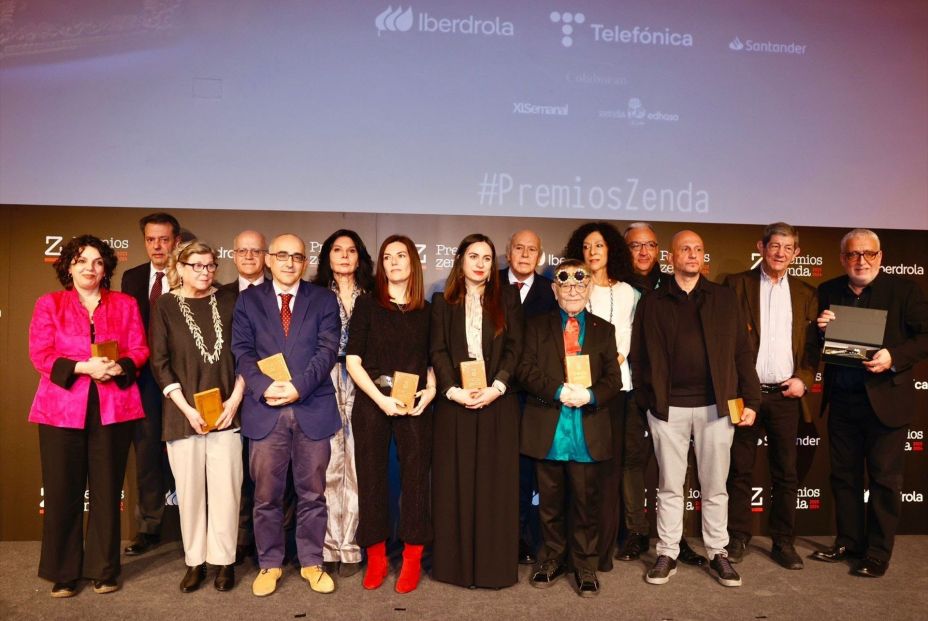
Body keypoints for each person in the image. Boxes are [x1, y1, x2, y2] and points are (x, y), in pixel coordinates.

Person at [630, 230, 760, 588]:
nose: (692, 254)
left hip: (717, 408)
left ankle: (718, 552)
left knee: (716, 486)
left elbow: (742, 352)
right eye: (685, 249)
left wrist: (751, 400)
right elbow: (638, 355)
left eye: (698, 249)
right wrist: (646, 399)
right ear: (671, 257)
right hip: (667, 409)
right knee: (670, 485)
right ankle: (668, 552)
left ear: (703, 257)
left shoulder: (724, 298)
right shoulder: (652, 302)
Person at [28, 235, 149, 597]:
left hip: (113, 408)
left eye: (97, 262)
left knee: (107, 490)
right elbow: (41, 354)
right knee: (61, 491)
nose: (90, 268)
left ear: (106, 267)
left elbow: (139, 348)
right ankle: (63, 572)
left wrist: (118, 367)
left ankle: (104, 569)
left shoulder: (125, 304)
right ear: (68, 266)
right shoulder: (49, 304)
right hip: (60, 410)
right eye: (81, 261)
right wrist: (84, 367)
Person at [810, 228, 928, 578]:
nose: (861, 261)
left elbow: (925, 336)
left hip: (886, 401)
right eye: (852, 254)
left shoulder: (904, 291)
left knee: (884, 480)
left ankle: (877, 552)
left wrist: (894, 357)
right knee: (844, 477)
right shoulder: (828, 290)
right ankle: (849, 542)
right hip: (843, 399)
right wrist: (821, 330)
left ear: (880, 256)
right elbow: (820, 345)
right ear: (842, 258)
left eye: (868, 254)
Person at [232, 234, 341, 596]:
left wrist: (298, 388)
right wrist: (264, 386)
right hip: (265, 410)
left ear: (305, 262)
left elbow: (327, 351)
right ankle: (269, 563)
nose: (290, 262)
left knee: (313, 494)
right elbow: (242, 351)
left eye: (297, 256)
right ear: (269, 259)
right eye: (282, 255)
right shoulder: (248, 301)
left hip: (312, 407)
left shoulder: (323, 299)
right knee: (266, 496)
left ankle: (311, 561)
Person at [519, 259, 623, 597]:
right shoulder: (535, 326)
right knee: (548, 504)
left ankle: (584, 565)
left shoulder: (605, 330)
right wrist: (558, 391)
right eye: (565, 285)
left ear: (589, 287)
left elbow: (614, 380)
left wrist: (590, 395)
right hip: (549, 428)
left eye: (580, 284)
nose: (573, 291)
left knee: (585, 504)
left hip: (586, 430)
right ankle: (551, 559)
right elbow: (525, 369)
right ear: (555, 290)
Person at [149, 241, 245, 593]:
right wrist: (186, 409)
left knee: (226, 492)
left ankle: (224, 561)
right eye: (197, 265)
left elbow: (246, 354)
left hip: (227, 414)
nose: (205, 272)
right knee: (189, 493)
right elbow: (159, 362)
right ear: (180, 266)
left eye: (210, 265)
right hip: (183, 416)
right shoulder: (165, 305)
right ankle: (195, 562)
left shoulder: (231, 301)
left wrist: (235, 400)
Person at [430, 233, 524, 589]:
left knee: (494, 487)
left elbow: (516, 347)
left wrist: (496, 387)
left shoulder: (508, 298)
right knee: (454, 484)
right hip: (454, 405)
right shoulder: (442, 302)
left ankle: (492, 569)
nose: (481, 263)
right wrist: (453, 391)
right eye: (473, 256)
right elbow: (437, 350)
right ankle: (455, 568)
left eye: (487, 257)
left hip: (497, 402)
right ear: (460, 260)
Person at [723, 223, 818, 570]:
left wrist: (804, 380)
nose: (780, 253)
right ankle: (737, 537)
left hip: (785, 396)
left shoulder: (807, 293)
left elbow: (813, 346)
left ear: (796, 253)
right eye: (775, 245)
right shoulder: (736, 284)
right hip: (744, 395)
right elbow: (723, 340)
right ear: (761, 247)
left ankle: (783, 542)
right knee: (739, 470)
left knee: (786, 473)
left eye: (788, 247)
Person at [346, 235, 435, 593]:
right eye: (387, 257)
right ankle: (377, 557)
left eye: (401, 255)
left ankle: (412, 557)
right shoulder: (367, 305)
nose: (394, 262)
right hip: (373, 399)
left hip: (415, 401)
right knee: (370, 477)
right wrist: (380, 400)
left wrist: (431, 391)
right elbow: (353, 361)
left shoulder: (427, 310)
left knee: (416, 480)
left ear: (413, 262)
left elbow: (432, 361)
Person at [617, 222, 707, 567]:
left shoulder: (673, 284)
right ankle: (635, 531)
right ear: (624, 249)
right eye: (635, 245)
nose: (643, 252)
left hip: (673, 393)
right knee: (632, 460)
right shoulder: (614, 284)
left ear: (660, 251)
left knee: (677, 466)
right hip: (630, 387)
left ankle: (676, 537)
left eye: (650, 245)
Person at [563, 221, 637, 572]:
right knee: (574, 472)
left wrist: (605, 370)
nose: (592, 252)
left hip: (613, 390)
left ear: (611, 251)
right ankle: (573, 550)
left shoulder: (628, 292)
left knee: (607, 474)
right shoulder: (572, 285)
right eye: (587, 246)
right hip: (572, 390)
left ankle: (602, 553)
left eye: (599, 246)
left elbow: (628, 339)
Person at [312, 229, 375, 578]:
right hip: (324, 379)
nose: (345, 256)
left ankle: (350, 545)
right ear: (327, 256)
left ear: (360, 256)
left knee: (357, 464)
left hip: (363, 380)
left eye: (351, 250)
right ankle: (327, 546)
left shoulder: (373, 294)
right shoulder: (314, 295)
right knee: (329, 463)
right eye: (338, 250)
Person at [120, 212, 181, 556]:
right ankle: (148, 528)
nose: (157, 246)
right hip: (144, 381)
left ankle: (194, 526)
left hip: (184, 379)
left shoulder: (190, 273)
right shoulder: (132, 277)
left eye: (164, 239)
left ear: (176, 242)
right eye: (151, 239)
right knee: (146, 455)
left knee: (189, 452)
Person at [501, 229, 557, 566]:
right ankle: (499, 535)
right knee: (500, 470)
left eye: (531, 249)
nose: (524, 254)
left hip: (535, 396)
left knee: (528, 472)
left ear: (540, 256)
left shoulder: (552, 291)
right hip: (496, 393)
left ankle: (523, 537)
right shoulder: (490, 284)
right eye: (519, 248)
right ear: (508, 252)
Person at [218, 230, 268, 565]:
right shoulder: (218, 295)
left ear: (266, 256)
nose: (249, 256)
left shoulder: (280, 293)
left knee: (271, 477)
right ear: (233, 255)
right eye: (242, 251)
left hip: (269, 397)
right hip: (226, 399)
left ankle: (274, 543)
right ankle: (239, 541)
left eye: (256, 250)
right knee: (234, 475)